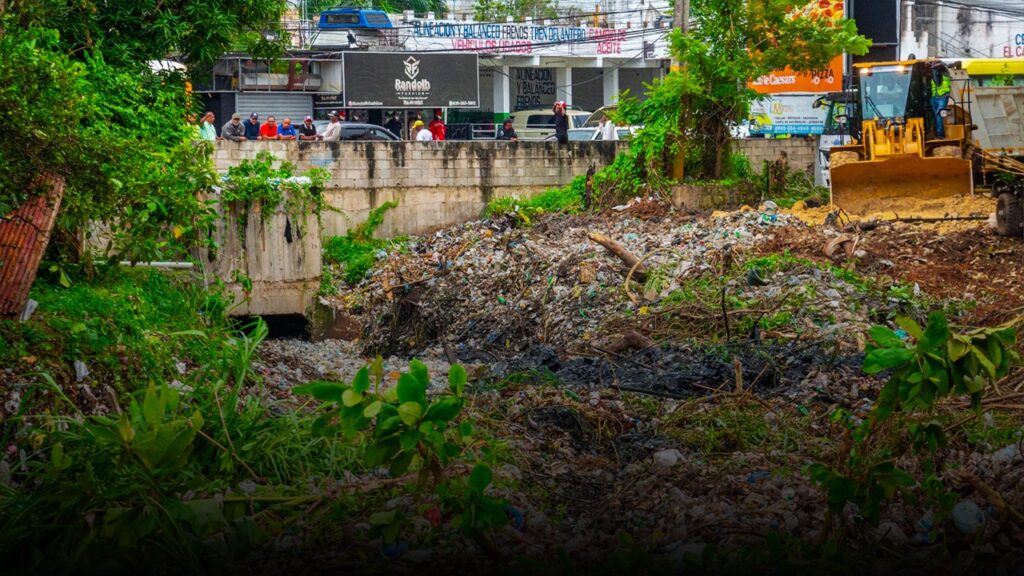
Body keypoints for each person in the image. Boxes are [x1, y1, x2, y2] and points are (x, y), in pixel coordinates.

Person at [930, 63, 951, 139]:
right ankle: (935, 133)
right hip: (934, 97)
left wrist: (933, 65)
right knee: (935, 115)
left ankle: (940, 135)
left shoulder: (945, 72)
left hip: (943, 97)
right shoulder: (933, 74)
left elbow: (941, 65)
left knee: (939, 115)